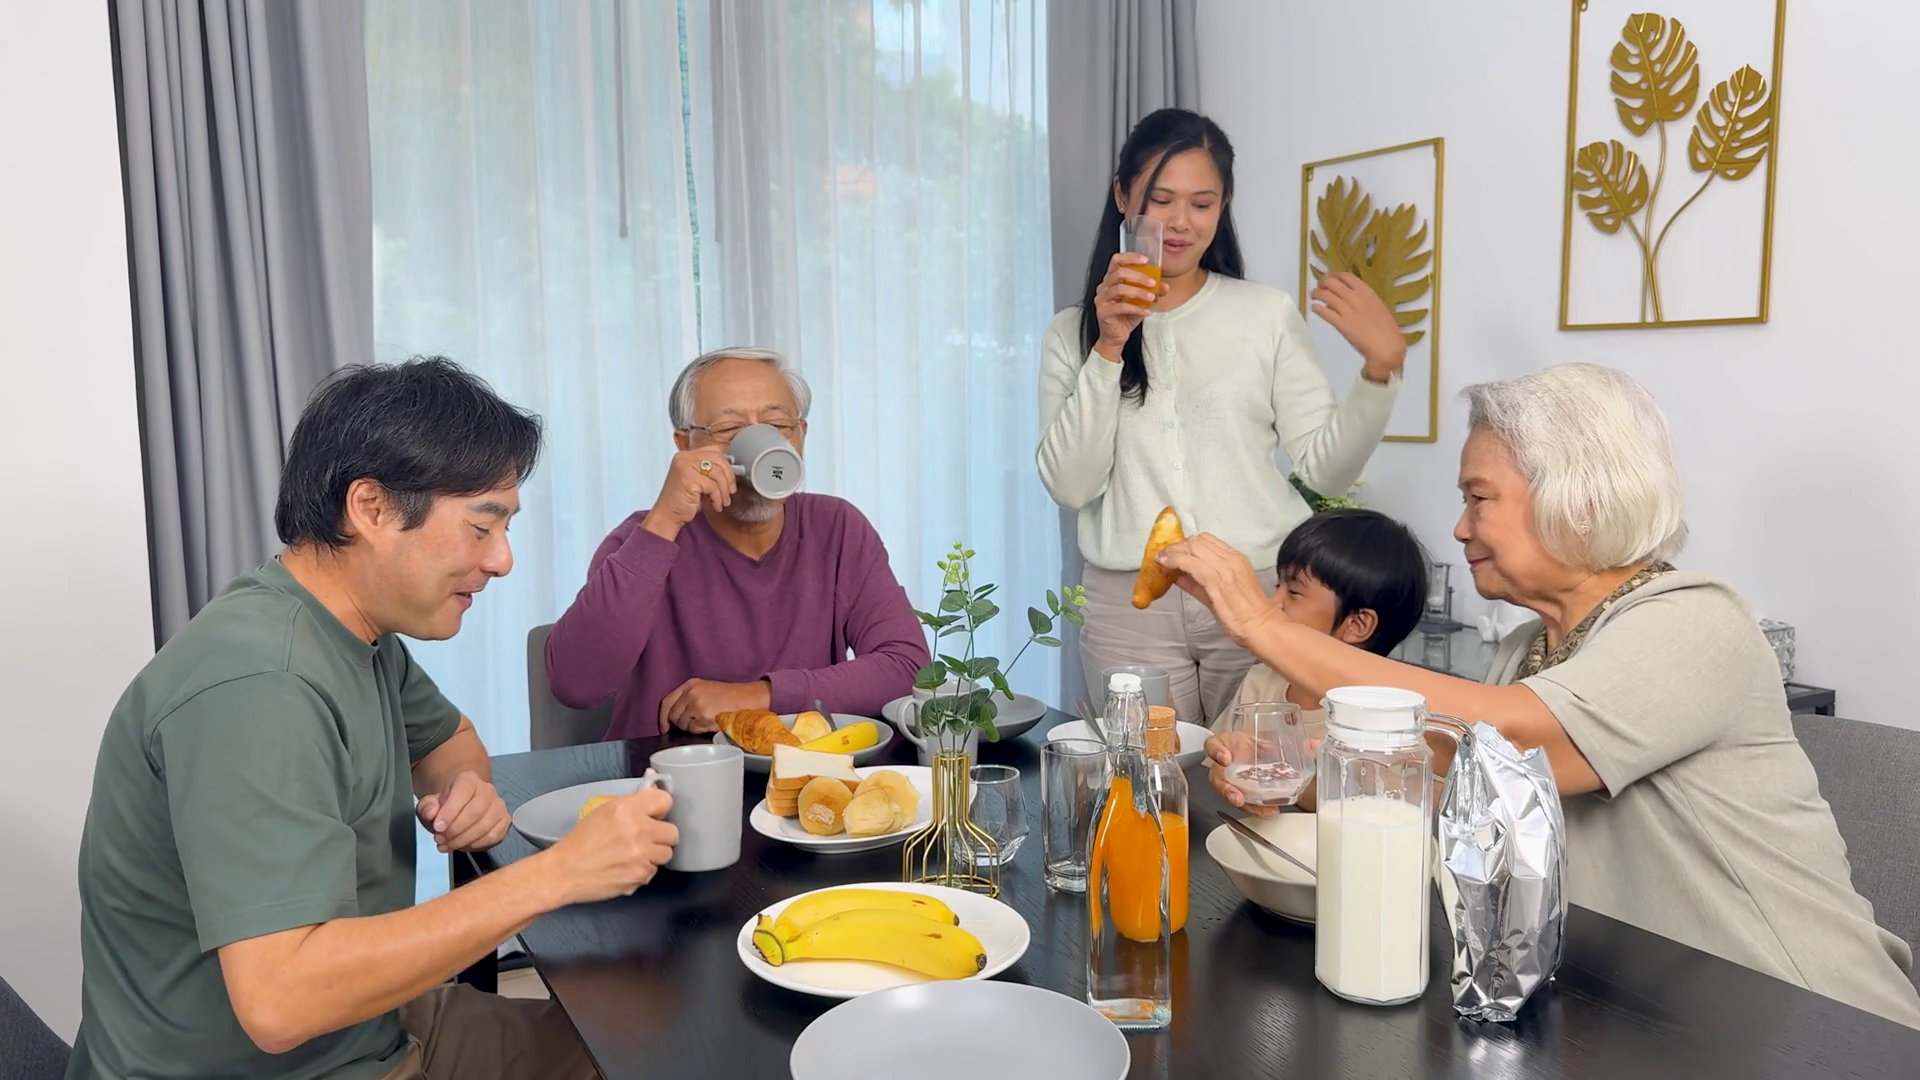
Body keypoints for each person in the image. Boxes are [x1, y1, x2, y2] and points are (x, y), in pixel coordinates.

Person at [1163, 363, 1920, 1028]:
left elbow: (1518, 742)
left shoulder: (1696, 619)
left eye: (1479, 498)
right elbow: (1457, 800)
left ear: (1579, 500)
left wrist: (1260, 621)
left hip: (1812, 1022)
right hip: (1636, 1011)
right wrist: (1300, 775)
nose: (1460, 527)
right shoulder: (1526, 651)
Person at [67, 358, 681, 1080]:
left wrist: (465, 789)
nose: (503, 560)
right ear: (372, 508)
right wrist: (558, 875)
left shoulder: (351, 631)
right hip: (280, 1061)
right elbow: (281, 1001)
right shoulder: (262, 687)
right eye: (481, 527)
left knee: (647, 1043)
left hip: (365, 1029)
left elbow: (450, 739)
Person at [1037, 107, 1410, 728]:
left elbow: (1325, 471)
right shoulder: (1069, 333)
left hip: (1260, 589)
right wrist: (1108, 345)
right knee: (1145, 776)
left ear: (1224, 205)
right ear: (1122, 195)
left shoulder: (1265, 315)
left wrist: (1380, 373)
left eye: (1202, 203)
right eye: (1160, 200)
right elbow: (1072, 487)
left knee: (1258, 771)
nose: (1181, 222)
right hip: (1130, 605)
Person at [546, 347, 928, 739]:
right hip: (665, 772)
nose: (760, 443)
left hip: (804, 768)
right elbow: (576, 685)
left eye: (776, 425)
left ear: (801, 436)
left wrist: (759, 696)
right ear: (685, 443)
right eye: (729, 430)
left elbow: (908, 667)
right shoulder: (642, 539)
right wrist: (665, 519)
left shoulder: (836, 528)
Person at [1213, 508, 1428, 738]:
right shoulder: (1261, 680)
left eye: (1294, 592)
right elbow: (1215, 752)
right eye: (1278, 586)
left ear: (1356, 625)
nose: (1272, 603)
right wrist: (1221, 751)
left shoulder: (1383, 728)